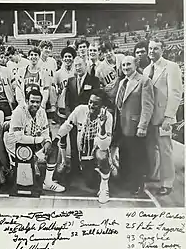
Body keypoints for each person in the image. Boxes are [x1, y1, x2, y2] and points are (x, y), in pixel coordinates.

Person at [53, 89, 114, 203]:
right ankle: (70, 165)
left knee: (102, 154)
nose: (91, 105)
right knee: (90, 183)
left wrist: (102, 127)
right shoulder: (80, 110)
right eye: (90, 102)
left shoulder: (107, 116)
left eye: (95, 104)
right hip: (84, 154)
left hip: (98, 150)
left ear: (102, 106)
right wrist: (55, 139)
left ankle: (105, 187)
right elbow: (67, 126)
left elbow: (104, 145)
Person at [4, 89, 65, 192]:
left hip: (32, 142)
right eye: (32, 101)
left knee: (53, 148)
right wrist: (40, 139)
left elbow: (45, 132)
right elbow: (20, 138)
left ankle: (48, 182)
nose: (35, 104)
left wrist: (47, 141)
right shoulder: (18, 112)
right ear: (27, 101)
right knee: (26, 180)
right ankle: (32, 164)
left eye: (38, 102)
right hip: (15, 146)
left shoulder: (41, 112)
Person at [143, 38, 183, 195]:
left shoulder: (171, 67)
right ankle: (154, 175)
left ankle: (167, 182)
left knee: (165, 150)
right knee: (151, 149)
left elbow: (175, 93)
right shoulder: (147, 70)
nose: (151, 51)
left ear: (163, 50)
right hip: (150, 118)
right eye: (150, 48)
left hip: (163, 118)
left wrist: (168, 117)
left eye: (155, 48)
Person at [115, 56, 154, 195]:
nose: (125, 67)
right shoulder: (122, 82)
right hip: (121, 125)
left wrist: (142, 126)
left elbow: (147, 106)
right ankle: (125, 180)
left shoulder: (144, 81)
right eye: (123, 65)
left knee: (137, 157)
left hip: (135, 126)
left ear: (135, 64)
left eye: (128, 64)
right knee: (124, 154)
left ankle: (137, 184)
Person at [65, 56, 101, 175]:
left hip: (88, 120)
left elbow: (96, 101)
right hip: (74, 119)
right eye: (76, 65)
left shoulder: (94, 80)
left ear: (86, 65)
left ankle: (88, 171)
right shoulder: (70, 81)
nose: (78, 68)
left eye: (80, 65)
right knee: (74, 145)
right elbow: (67, 102)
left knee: (88, 145)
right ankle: (74, 170)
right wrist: (70, 117)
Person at [53, 46, 77, 172]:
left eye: (70, 56)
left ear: (73, 58)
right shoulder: (58, 74)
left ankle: (75, 161)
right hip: (62, 107)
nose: (68, 58)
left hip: (74, 107)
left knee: (75, 136)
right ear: (62, 59)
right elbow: (55, 91)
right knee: (62, 135)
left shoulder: (76, 72)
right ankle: (63, 161)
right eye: (65, 57)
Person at [96, 42, 125, 106]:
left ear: (113, 50)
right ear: (102, 54)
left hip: (125, 93)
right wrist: (103, 89)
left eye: (110, 50)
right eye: (105, 52)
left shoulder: (122, 58)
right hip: (112, 99)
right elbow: (98, 87)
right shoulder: (100, 69)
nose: (108, 53)